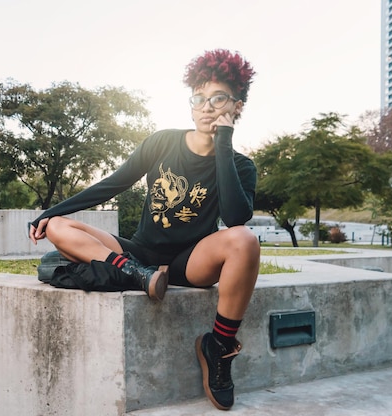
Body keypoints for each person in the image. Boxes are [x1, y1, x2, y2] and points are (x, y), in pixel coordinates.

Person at [29, 48, 260, 411]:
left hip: (190, 262)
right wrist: (51, 211)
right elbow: (113, 184)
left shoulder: (242, 166)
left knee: (245, 240)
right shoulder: (163, 142)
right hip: (140, 254)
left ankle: (218, 347)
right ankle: (134, 273)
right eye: (199, 98)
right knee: (59, 227)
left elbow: (234, 218)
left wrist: (224, 144)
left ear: (237, 105)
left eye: (218, 98)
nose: (206, 107)